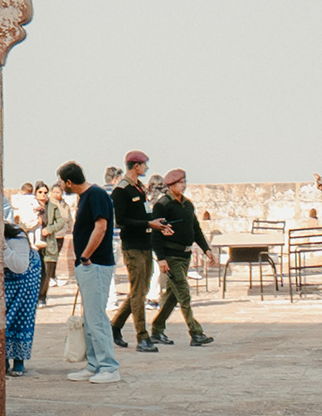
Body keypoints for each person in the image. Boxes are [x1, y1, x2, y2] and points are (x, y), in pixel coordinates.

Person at [61, 159, 123, 381]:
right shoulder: (86, 196)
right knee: (89, 318)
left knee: (96, 318)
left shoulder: (96, 195)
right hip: (88, 265)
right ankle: (94, 363)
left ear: (69, 182)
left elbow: (101, 226)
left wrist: (86, 255)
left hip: (95, 264)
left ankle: (109, 367)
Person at [150, 168, 215, 345]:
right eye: (180, 183)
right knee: (184, 293)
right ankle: (196, 332)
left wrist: (206, 249)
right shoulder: (163, 205)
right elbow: (155, 234)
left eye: (184, 182)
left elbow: (195, 229)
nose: (183, 185)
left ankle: (157, 330)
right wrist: (161, 258)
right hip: (171, 256)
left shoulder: (187, 204)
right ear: (170, 185)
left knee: (172, 296)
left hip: (185, 256)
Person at [111, 150, 163, 350]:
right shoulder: (121, 190)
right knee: (139, 292)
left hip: (145, 244)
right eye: (144, 165)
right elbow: (121, 220)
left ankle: (115, 326)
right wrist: (148, 223)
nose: (146, 168)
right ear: (136, 166)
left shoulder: (139, 188)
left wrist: (155, 224)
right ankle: (142, 336)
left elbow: (144, 213)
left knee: (139, 290)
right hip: (132, 246)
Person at [0, 191, 43, 377]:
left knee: (20, 316)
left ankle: (19, 360)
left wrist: (2, 246)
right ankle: (2, 359)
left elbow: (19, 266)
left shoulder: (17, 237)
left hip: (26, 275)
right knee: (3, 316)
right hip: (5, 276)